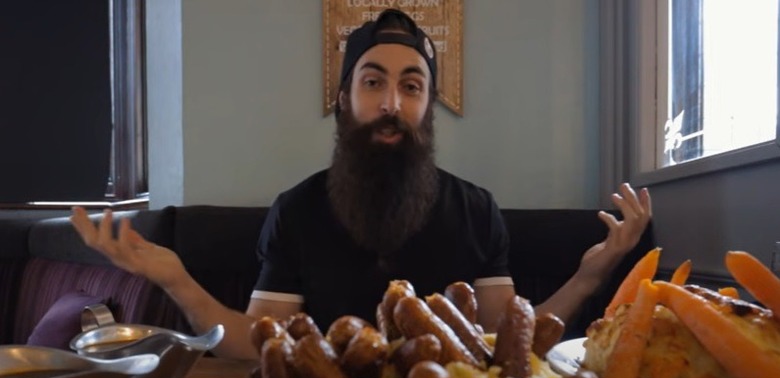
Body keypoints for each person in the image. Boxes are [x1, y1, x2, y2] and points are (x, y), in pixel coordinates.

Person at [70, 9, 652, 360]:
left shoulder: (475, 209)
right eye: (373, 82)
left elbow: (504, 336)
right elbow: (257, 341)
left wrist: (591, 275)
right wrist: (175, 279)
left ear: (427, 107)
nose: (392, 103)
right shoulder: (297, 210)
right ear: (344, 99)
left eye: (412, 86)